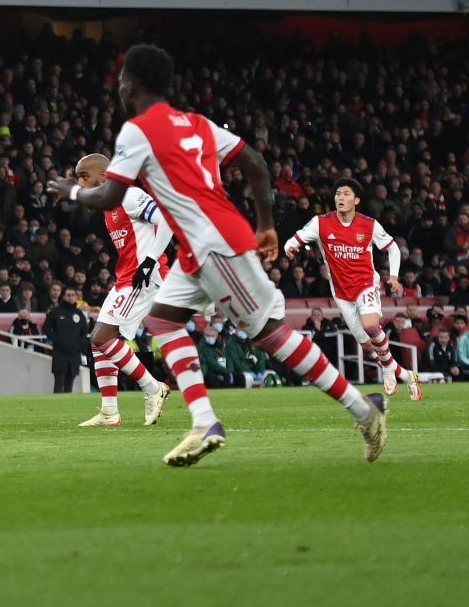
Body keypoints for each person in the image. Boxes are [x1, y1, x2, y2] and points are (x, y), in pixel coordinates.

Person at [48, 43, 385, 467]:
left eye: (120, 81)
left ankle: (364, 410)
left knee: (270, 335)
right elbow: (257, 164)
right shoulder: (199, 124)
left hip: (215, 244)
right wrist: (265, 223)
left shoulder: (137, 130)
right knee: (163, 320)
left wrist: (73, 191)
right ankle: (204, 421)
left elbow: (111, 194)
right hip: (202, 245)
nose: (118, 88)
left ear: (130, 85)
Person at [282, 179, 420, 399]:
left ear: (356, 200)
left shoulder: (369, 224)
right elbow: (294, 239)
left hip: (366, 284)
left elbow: (393, 248)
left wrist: (393, 277)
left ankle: (387, 369)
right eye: (338, 194)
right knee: (366, 345)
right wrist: (290, 247)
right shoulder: (320, 223)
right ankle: (404, 374)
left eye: (346, 194)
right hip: (340, 292)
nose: (341, 198)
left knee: (371, 327)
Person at [68, 152, 172, 426]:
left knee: (102, 338)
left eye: (84, 176)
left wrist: (150, 261)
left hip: (143, 277)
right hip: (125, 278)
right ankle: (109, 411)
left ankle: (153, 388)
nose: (81, 182)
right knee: (96, 341)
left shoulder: (129, 195)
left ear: (104, 176)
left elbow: (167, 221)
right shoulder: (109, 205)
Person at [42, 287, 92, 394]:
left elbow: (84, 332)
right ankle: (57, 404)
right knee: (59, 380)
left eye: (73, 295)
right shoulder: (56, 312)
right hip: (60, 351)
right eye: (68, 295)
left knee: (71, 379)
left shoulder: (79, 314)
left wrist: (80, 345)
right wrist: (56, 340)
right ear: (63, 296)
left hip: (74, 352)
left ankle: (68, 404)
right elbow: (46, 328)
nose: (71, 298)